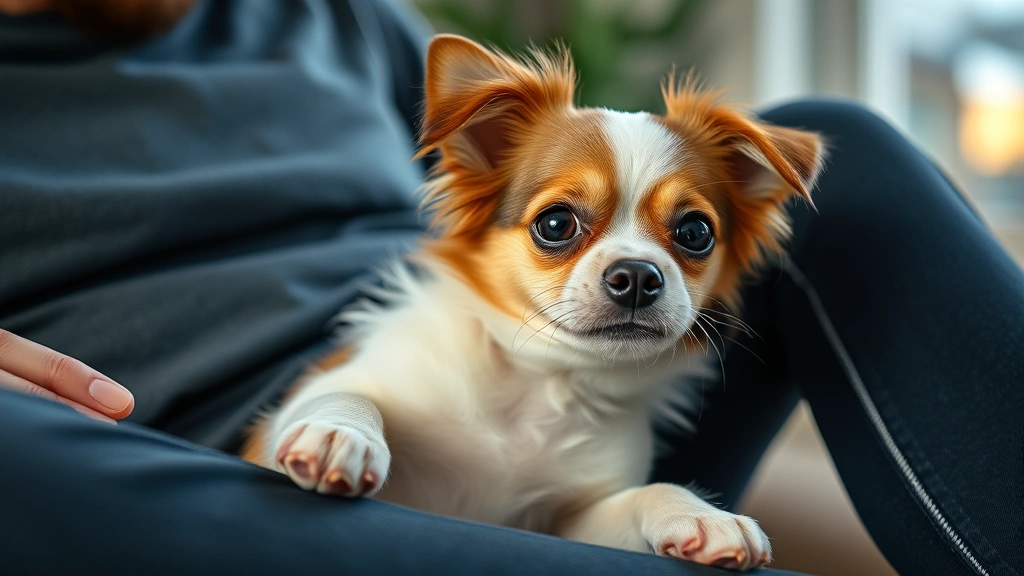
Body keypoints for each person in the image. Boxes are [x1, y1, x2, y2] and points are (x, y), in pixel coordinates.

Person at [0, 1, 1020, 575]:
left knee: (861, 166)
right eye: (566, 224)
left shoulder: (328, 18)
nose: (631, 258)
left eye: (687, 233)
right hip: (221, 477)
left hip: (544, 395)